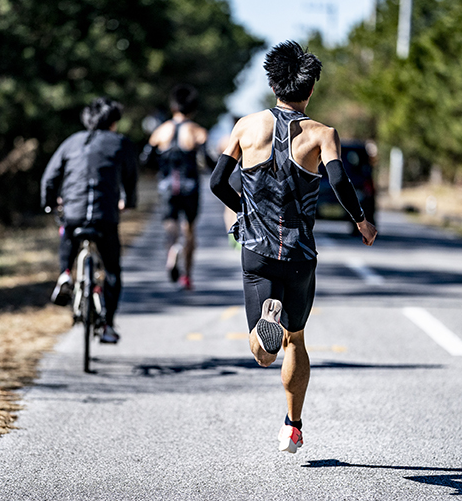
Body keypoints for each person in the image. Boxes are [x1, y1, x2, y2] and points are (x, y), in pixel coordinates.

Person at [210, 41, 378, 453]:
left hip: (257, 250)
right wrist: (362, 221)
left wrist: (244, 210)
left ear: (272, 83)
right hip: (300, 254)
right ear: (311, 89)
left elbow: (217, 182)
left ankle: (266, 320)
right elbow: (339, 182)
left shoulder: (246, 127)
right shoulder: (323, 134)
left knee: (263, 352)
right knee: (297, 340)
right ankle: (293, 426)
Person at [41, 97, 138, 344]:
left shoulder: (71, 142)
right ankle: (107, 325)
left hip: (73, 211)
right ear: (114, 122)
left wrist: (50, 202)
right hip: (105, 215)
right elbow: (130, 178)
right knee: (112, 270)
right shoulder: (121, 143)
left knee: (68, 232)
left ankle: (65, 274)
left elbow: (50, 177)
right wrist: (128, 201)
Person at [142, 85, 208, 290]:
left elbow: (146, 158)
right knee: (190, 229)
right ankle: (187, 276)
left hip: (167, 185)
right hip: (189, 185)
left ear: (173, 106)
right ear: (193, 108)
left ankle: (173, 249)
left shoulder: (160, 131)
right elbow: (208, 160)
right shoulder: (197, 131)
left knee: (171, 227)